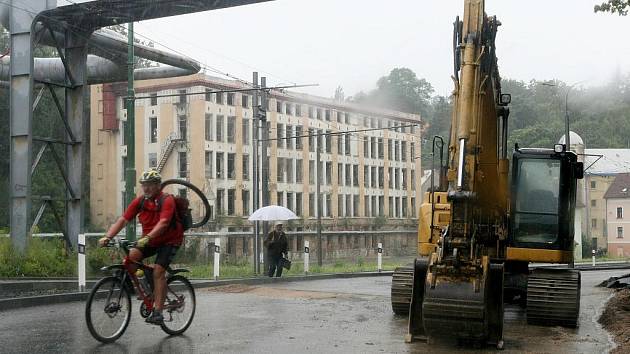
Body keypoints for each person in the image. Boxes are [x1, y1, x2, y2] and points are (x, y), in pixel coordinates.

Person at [98, 169, 183, 325]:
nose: (146, 188)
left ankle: (158, 311)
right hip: (149, 240)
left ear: (158, 186)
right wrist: (108, 236)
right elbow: (123, 220)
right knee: (131, 258)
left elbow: (163, 223)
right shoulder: (140, 201)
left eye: (150, 185)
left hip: (170, 240)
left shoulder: (167, 200)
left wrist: (148, 237)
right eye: (144, 185)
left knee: (158, 271)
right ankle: (150, 289)